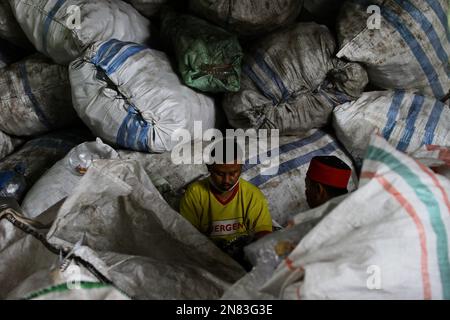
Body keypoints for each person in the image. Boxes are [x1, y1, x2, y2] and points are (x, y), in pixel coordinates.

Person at [179, 139, 273, 267]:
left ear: (240, 168)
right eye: (220, 173)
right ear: (209, 168)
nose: (226, 180)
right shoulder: (195, 194)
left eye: (233, 173)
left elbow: (264, 235)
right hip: (207, 260)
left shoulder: (252, 195)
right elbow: (187, 238)